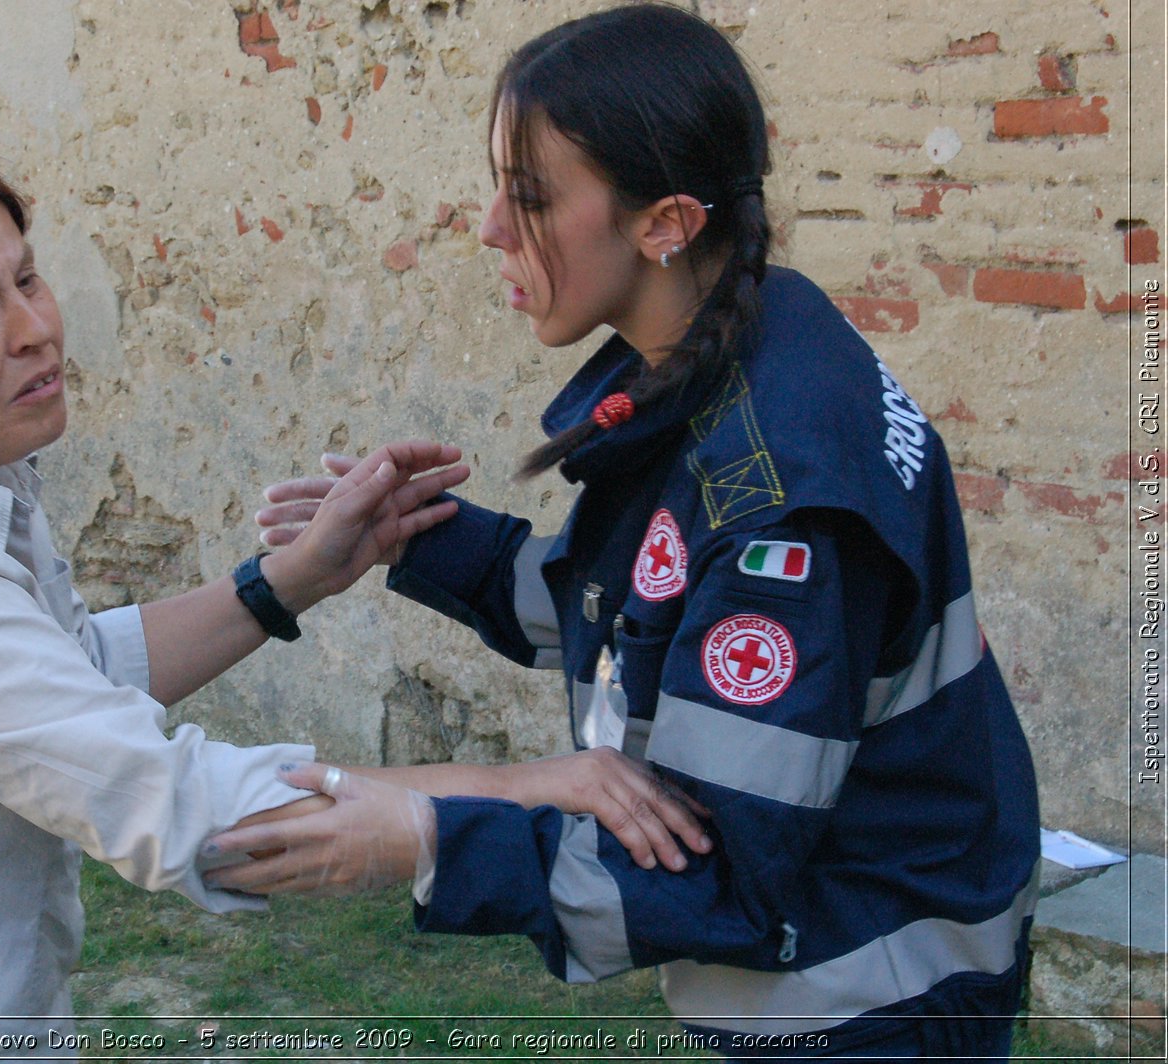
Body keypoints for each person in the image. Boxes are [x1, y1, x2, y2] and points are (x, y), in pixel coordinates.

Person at [0, 139, 704, 1062]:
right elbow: (179, 808)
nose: (34, 328)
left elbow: (57, 677)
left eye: (26, 278)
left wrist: (291, 578)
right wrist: (530, 783)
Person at [205, 4, 1042, 1059]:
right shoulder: (747, 341)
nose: (489, 230)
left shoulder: (777, 508)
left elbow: (714, 871)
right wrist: (415, 537)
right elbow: (635, 610)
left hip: (866, 997)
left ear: (664, 223)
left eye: (531, 198)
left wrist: (423, 837)